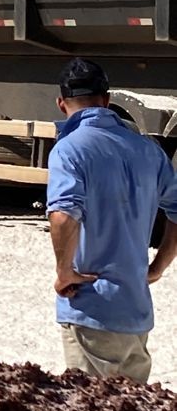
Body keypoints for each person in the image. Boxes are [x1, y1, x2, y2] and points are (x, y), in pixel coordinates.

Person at [46, 57, 177, 382]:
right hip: (135, 314)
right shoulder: (148, 150)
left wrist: (64, 273)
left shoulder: (69, 149)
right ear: (106, 101)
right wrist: (157, 267)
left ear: (61, 104)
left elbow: (63, 215)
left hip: (91, 311)